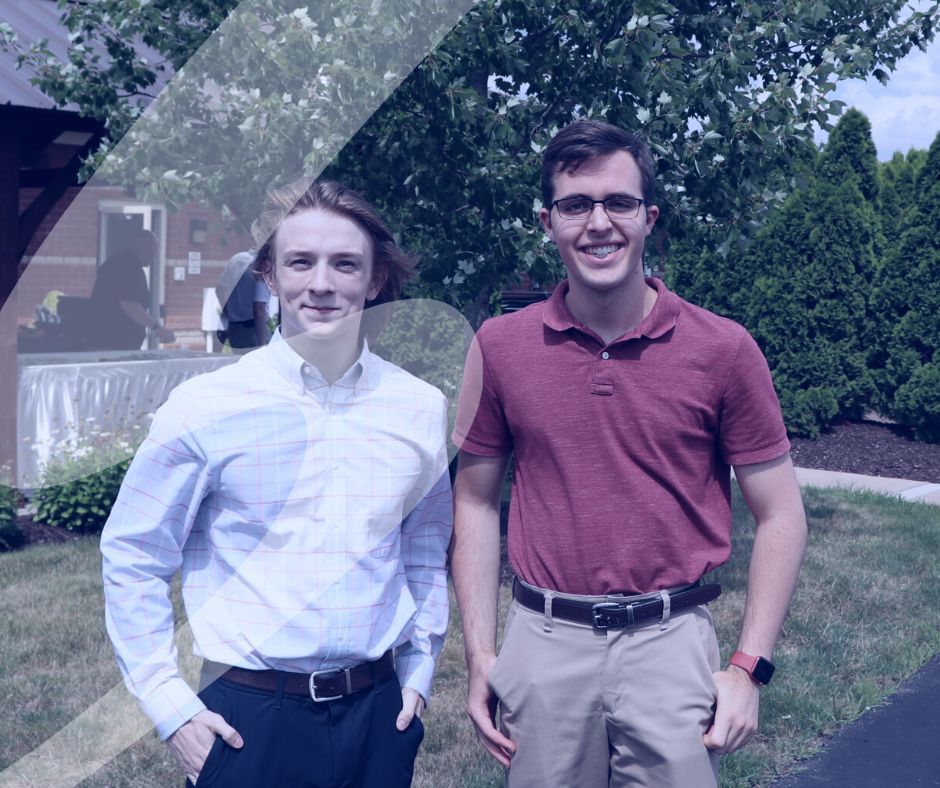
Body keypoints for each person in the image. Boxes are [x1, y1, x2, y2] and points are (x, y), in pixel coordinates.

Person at [450, 120, 808, 787]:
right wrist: (480, 655)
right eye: (575, 205)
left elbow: (782, 514)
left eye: (618, 203)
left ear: (649, 217)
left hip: (670, 645)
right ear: (547, 222)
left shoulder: (724, 350)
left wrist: (749, 667)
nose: (598, 223)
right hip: (544, 640)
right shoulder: (498, 347)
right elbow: (473, 501)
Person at [101, 180, 452, 787]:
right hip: (246, 719)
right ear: (269, 274)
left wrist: (419, 672)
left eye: (345, 264)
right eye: (300, 261)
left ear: (373, 282)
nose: (321, 283)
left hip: (378, 716)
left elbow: (424, 548)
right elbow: (134, 556)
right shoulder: (205, 406)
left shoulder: (417, 407)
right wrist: (170, 707)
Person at [88, 228, 175, 349]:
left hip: (105, 338)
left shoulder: (117, 262)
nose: (153, 256)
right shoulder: (128, 266)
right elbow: (130, 304)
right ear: (141, 243)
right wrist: (157, 328)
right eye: (152, 251)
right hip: (115, 341)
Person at [215, 251, 272, 353]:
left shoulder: (237, 259)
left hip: (235, 329)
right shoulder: (263, 265)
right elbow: (259, 308)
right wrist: (262, 344)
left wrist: (228, 313)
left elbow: (219, 289)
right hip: (254, 331)